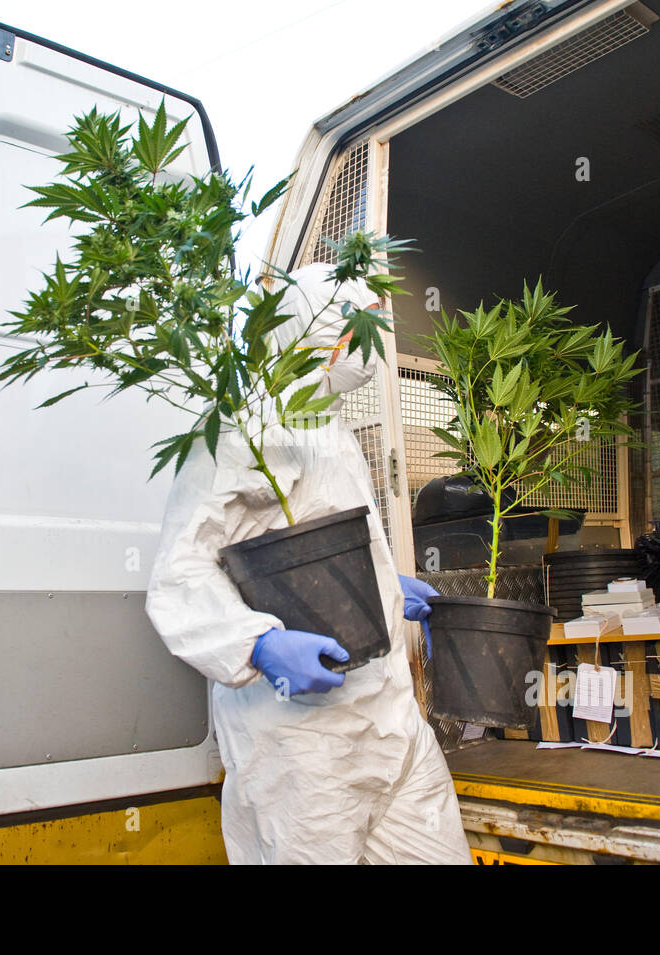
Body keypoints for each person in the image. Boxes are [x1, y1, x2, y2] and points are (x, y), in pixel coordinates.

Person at [145, 263, 472, 864]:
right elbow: (179, 576)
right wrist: (259, 644)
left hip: (389, 719)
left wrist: (384, 587)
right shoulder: (239, 433)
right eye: (355, 330)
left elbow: (326, 547)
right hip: (302, 748)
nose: (367, 348)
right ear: (306, 332)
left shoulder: (330, 428)